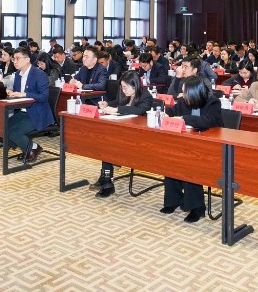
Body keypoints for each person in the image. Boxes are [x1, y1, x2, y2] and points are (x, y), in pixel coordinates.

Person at [161, 76, 223, 223]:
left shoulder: (213, 102)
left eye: (185, 92)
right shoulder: (184, 101)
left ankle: (197, 208)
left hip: (209, 147)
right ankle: (173, 200)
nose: (183, 95)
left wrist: (183, 118)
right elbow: (172, 111)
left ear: (194, 92)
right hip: (187, 144)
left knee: (189, 165)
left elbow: (208, 120)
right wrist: (166, 114)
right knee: (171, 159)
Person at [92, 71, 154, 197]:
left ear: (135, 85)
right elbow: (118, 102)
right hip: (122, 132)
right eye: (122, 87)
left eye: (125, 87)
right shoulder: (124, 93)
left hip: (139, 137)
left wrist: (116, 110)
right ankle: (106, 179)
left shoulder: (146, 96)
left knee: (109, 144)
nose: (123, 90)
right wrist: (108, 104)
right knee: (105, 143)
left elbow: (139, 110)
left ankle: (106, 178)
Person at [3, 48, 54, 162]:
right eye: (14, 59)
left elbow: (44, 96)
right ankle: (27, 147)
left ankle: (32, 148)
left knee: (14, 132)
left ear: (27, 60)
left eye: (18, 58)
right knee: (3, 126)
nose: (15, 61)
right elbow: (18, 93)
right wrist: (11, 93)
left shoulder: (39, 74)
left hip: (37, 112)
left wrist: (25, 94)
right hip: (22, 111)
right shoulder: (18, 74)